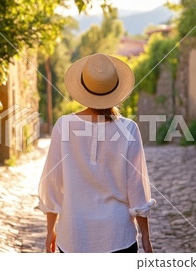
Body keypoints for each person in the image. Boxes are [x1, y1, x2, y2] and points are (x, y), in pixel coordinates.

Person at [38, 53, 156, 253]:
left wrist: (51, 229)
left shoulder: (63, 125)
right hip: (118, 236)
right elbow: (137, 188)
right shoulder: (129, 129)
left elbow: (52, 182)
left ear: (83, 87)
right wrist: (146, 236)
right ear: (115, 88)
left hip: (74, 235)